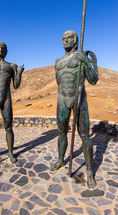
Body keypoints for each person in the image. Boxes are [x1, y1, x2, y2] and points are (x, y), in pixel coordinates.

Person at [50, 30, 98, 189]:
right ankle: (60, 159)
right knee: (61, 131)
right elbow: (59, 82)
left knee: (84, 135)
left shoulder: (86, 55)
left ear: (76, 40)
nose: (65, 40)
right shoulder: (58, 61)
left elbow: (93, 79)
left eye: (69, 37)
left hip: (80, 98)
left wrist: (85, 61)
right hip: (62, 99)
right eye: (63, 38)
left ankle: (89, 171)